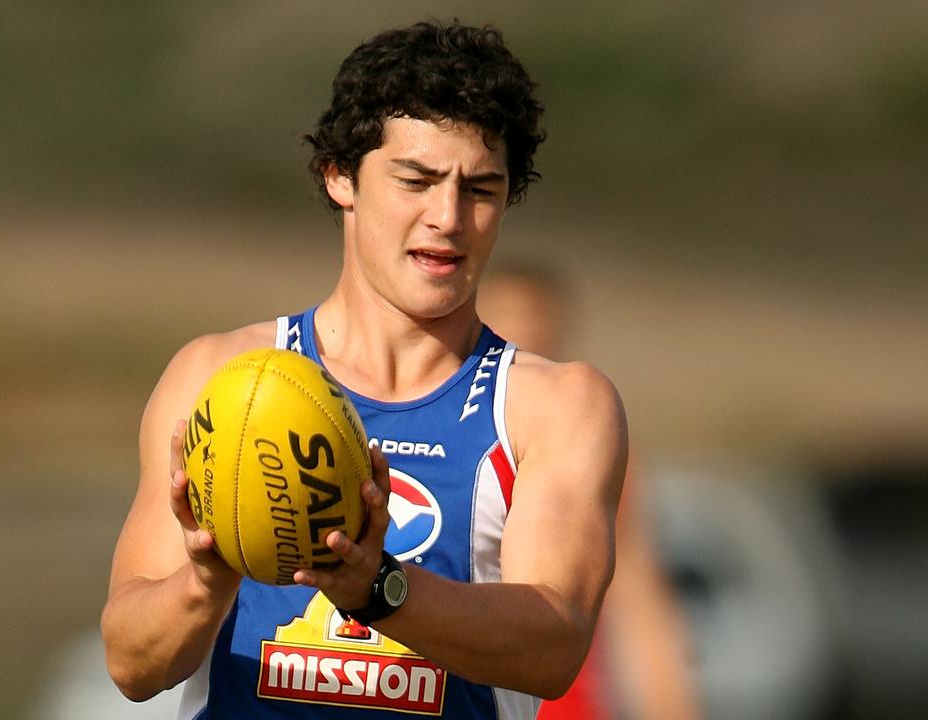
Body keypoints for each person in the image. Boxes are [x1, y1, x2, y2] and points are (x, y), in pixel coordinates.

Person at [100, 20, 628, 719]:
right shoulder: (220, 379)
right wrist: (204, 580)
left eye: (481, 190)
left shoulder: (553, 406)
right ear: (340, 176)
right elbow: (131, 664)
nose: (447, 217)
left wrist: (376, 588)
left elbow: (554, 646)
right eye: (416, 179)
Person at [479, 267, 703, 720]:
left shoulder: (598, 453)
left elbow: (643, 606)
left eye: (539, 340)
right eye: (510, 344)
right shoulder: (438, 444)